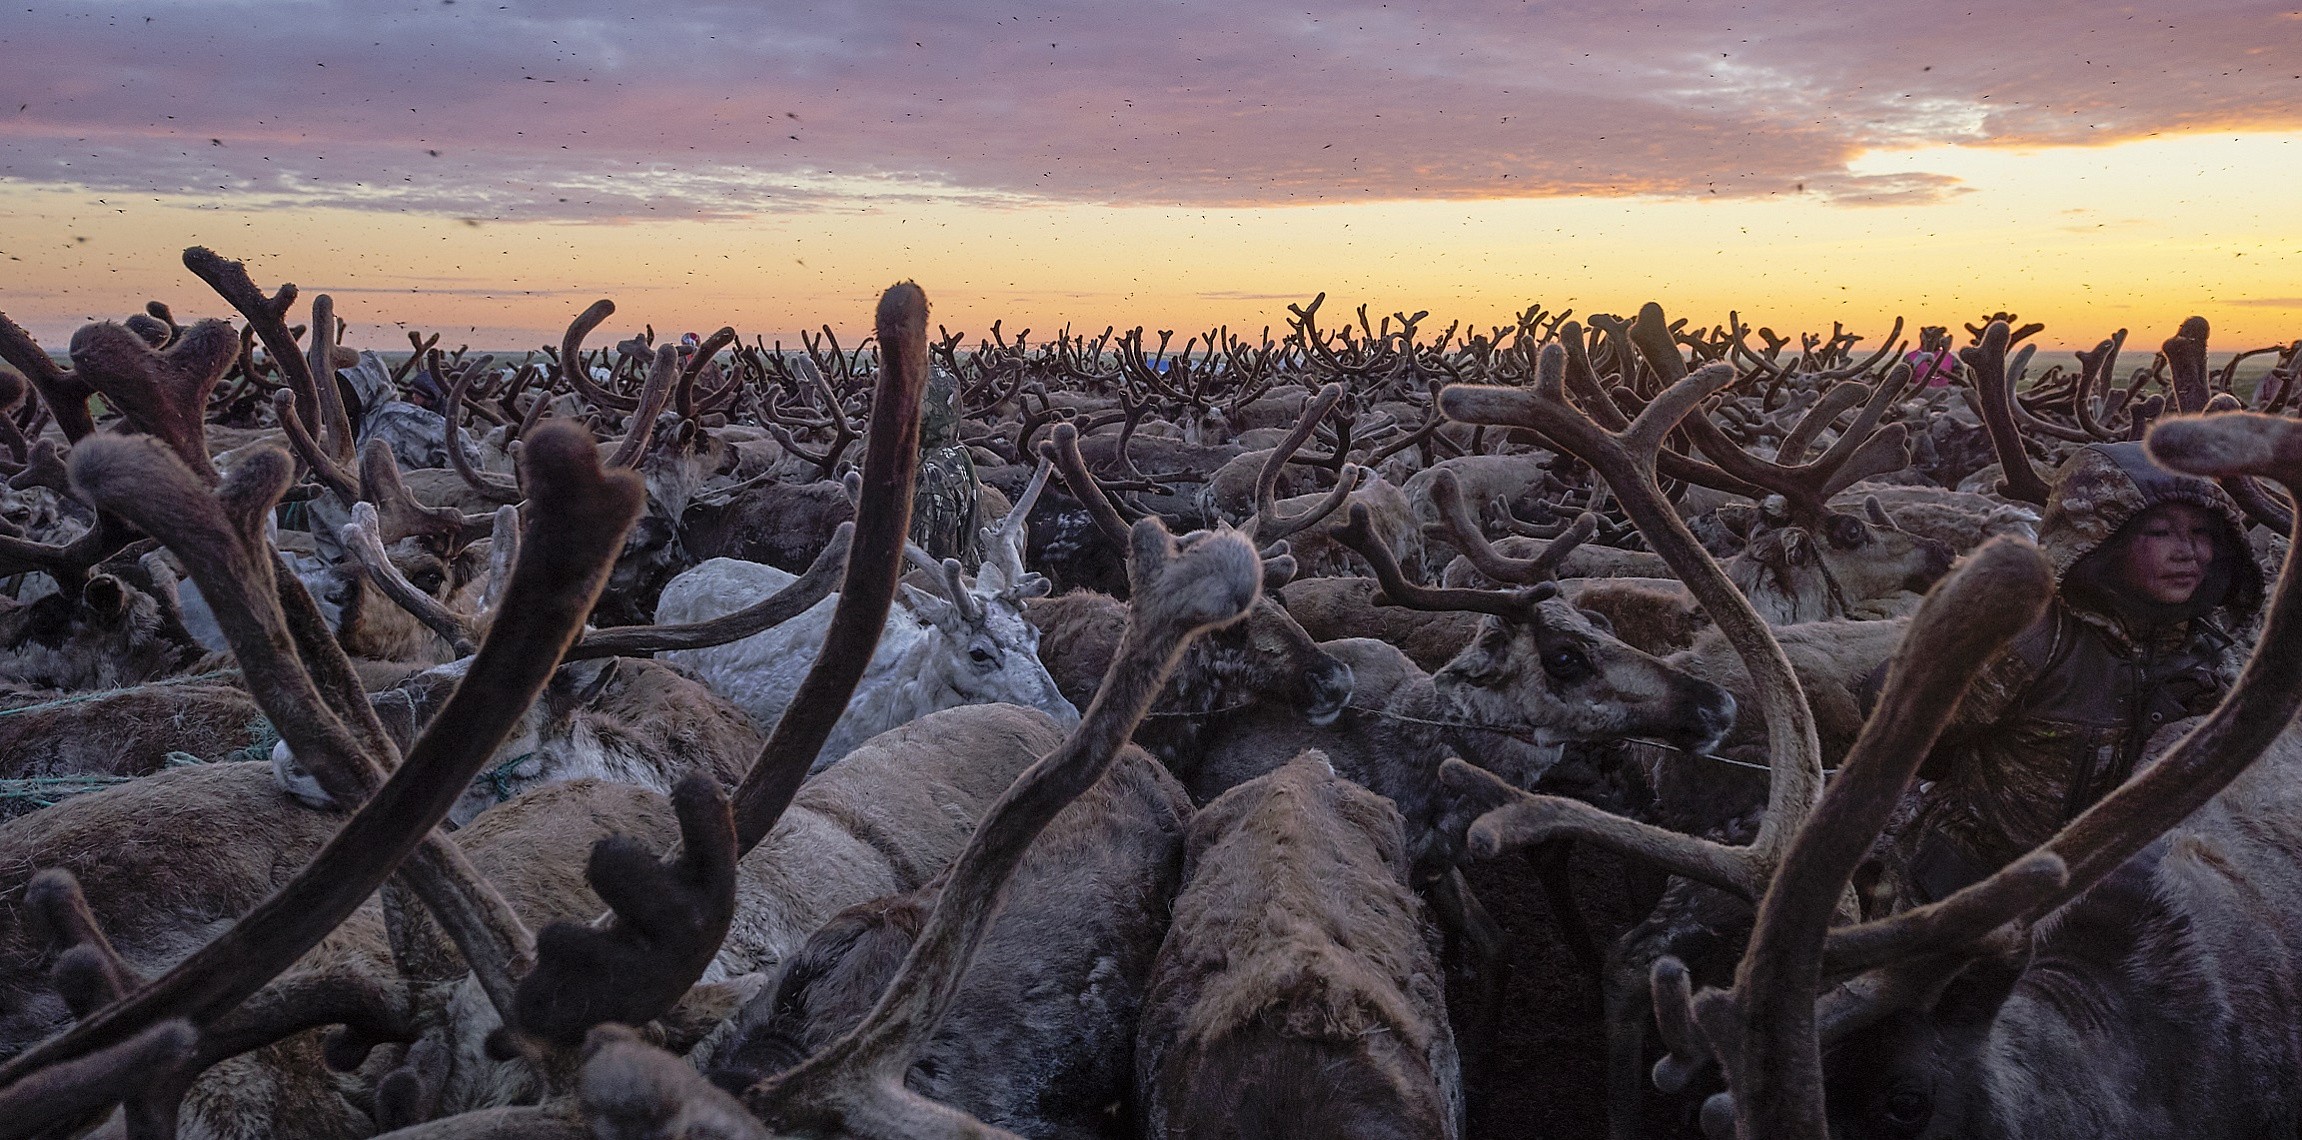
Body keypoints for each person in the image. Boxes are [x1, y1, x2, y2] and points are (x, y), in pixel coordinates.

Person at [1893, 441, 2264, 903]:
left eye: (2202, 533)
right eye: (2159, 532)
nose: (2188, 552)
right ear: (2102, 539)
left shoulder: (2218, 649)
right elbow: (1916, 737)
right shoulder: (2027, 639)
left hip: (2111, 905)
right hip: (1976, 891)